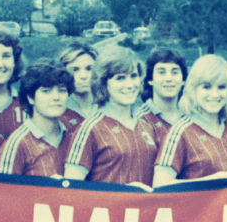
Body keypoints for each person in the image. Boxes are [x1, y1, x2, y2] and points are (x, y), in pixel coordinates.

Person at [64, 46, 157, 187]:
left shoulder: (146, 125)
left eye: (134, 76)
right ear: (103, 83)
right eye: (120, 78)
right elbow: (70, 190)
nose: (130, 85)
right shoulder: (90, 129)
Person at [153, 54, 227, 187]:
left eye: (221, 87)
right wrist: (213, 181)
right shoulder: (180, 132)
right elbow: (160, 185)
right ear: (193, 89)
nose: (214, 94)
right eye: (206, 87)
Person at [0, 62, 74, 177]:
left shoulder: (73, 137)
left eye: (62, 90)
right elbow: (1, 192)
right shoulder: (16, 144)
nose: (56, 97)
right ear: (30, 98)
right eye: (46, 91)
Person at [136, 48, 188, 147]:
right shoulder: (138, 118)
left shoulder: (192, 117)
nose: (169, 78)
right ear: (150, 79)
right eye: (161, 72)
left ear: (183, 80)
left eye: (175, 72)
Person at [57, 42, 98, 132]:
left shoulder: (107, 107)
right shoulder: (57, 110)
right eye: (75, 70)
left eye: (89, 68)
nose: (83, 76)